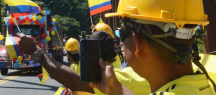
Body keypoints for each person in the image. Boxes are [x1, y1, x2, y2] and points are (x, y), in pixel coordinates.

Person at [89, 0, 216, 94]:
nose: (122, 44)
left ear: (138, 43)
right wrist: (116, 89)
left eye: (122, 34)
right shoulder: (204, 86)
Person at [19, 31, 150, 94]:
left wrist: (36, 52)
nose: (122, 46)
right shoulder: (155, 80)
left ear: (138, 43)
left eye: (124, 39)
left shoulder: (114, 77)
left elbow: (73, 80)